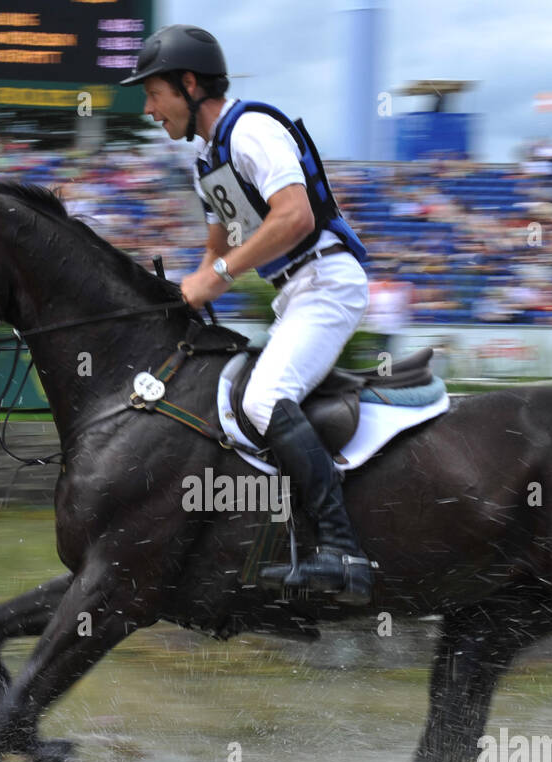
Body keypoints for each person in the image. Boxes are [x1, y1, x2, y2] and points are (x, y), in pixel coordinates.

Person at [121, 24, 374, 604]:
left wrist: (221, 275)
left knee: (263, 399)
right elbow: (217, 251)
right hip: (293, 294)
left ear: (189, 85)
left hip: (326, 283)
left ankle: (344, 552)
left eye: (153, 93)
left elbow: (295, 219)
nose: (149, 109)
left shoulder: (253, 130)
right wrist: (188, 291)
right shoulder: (207, 163)